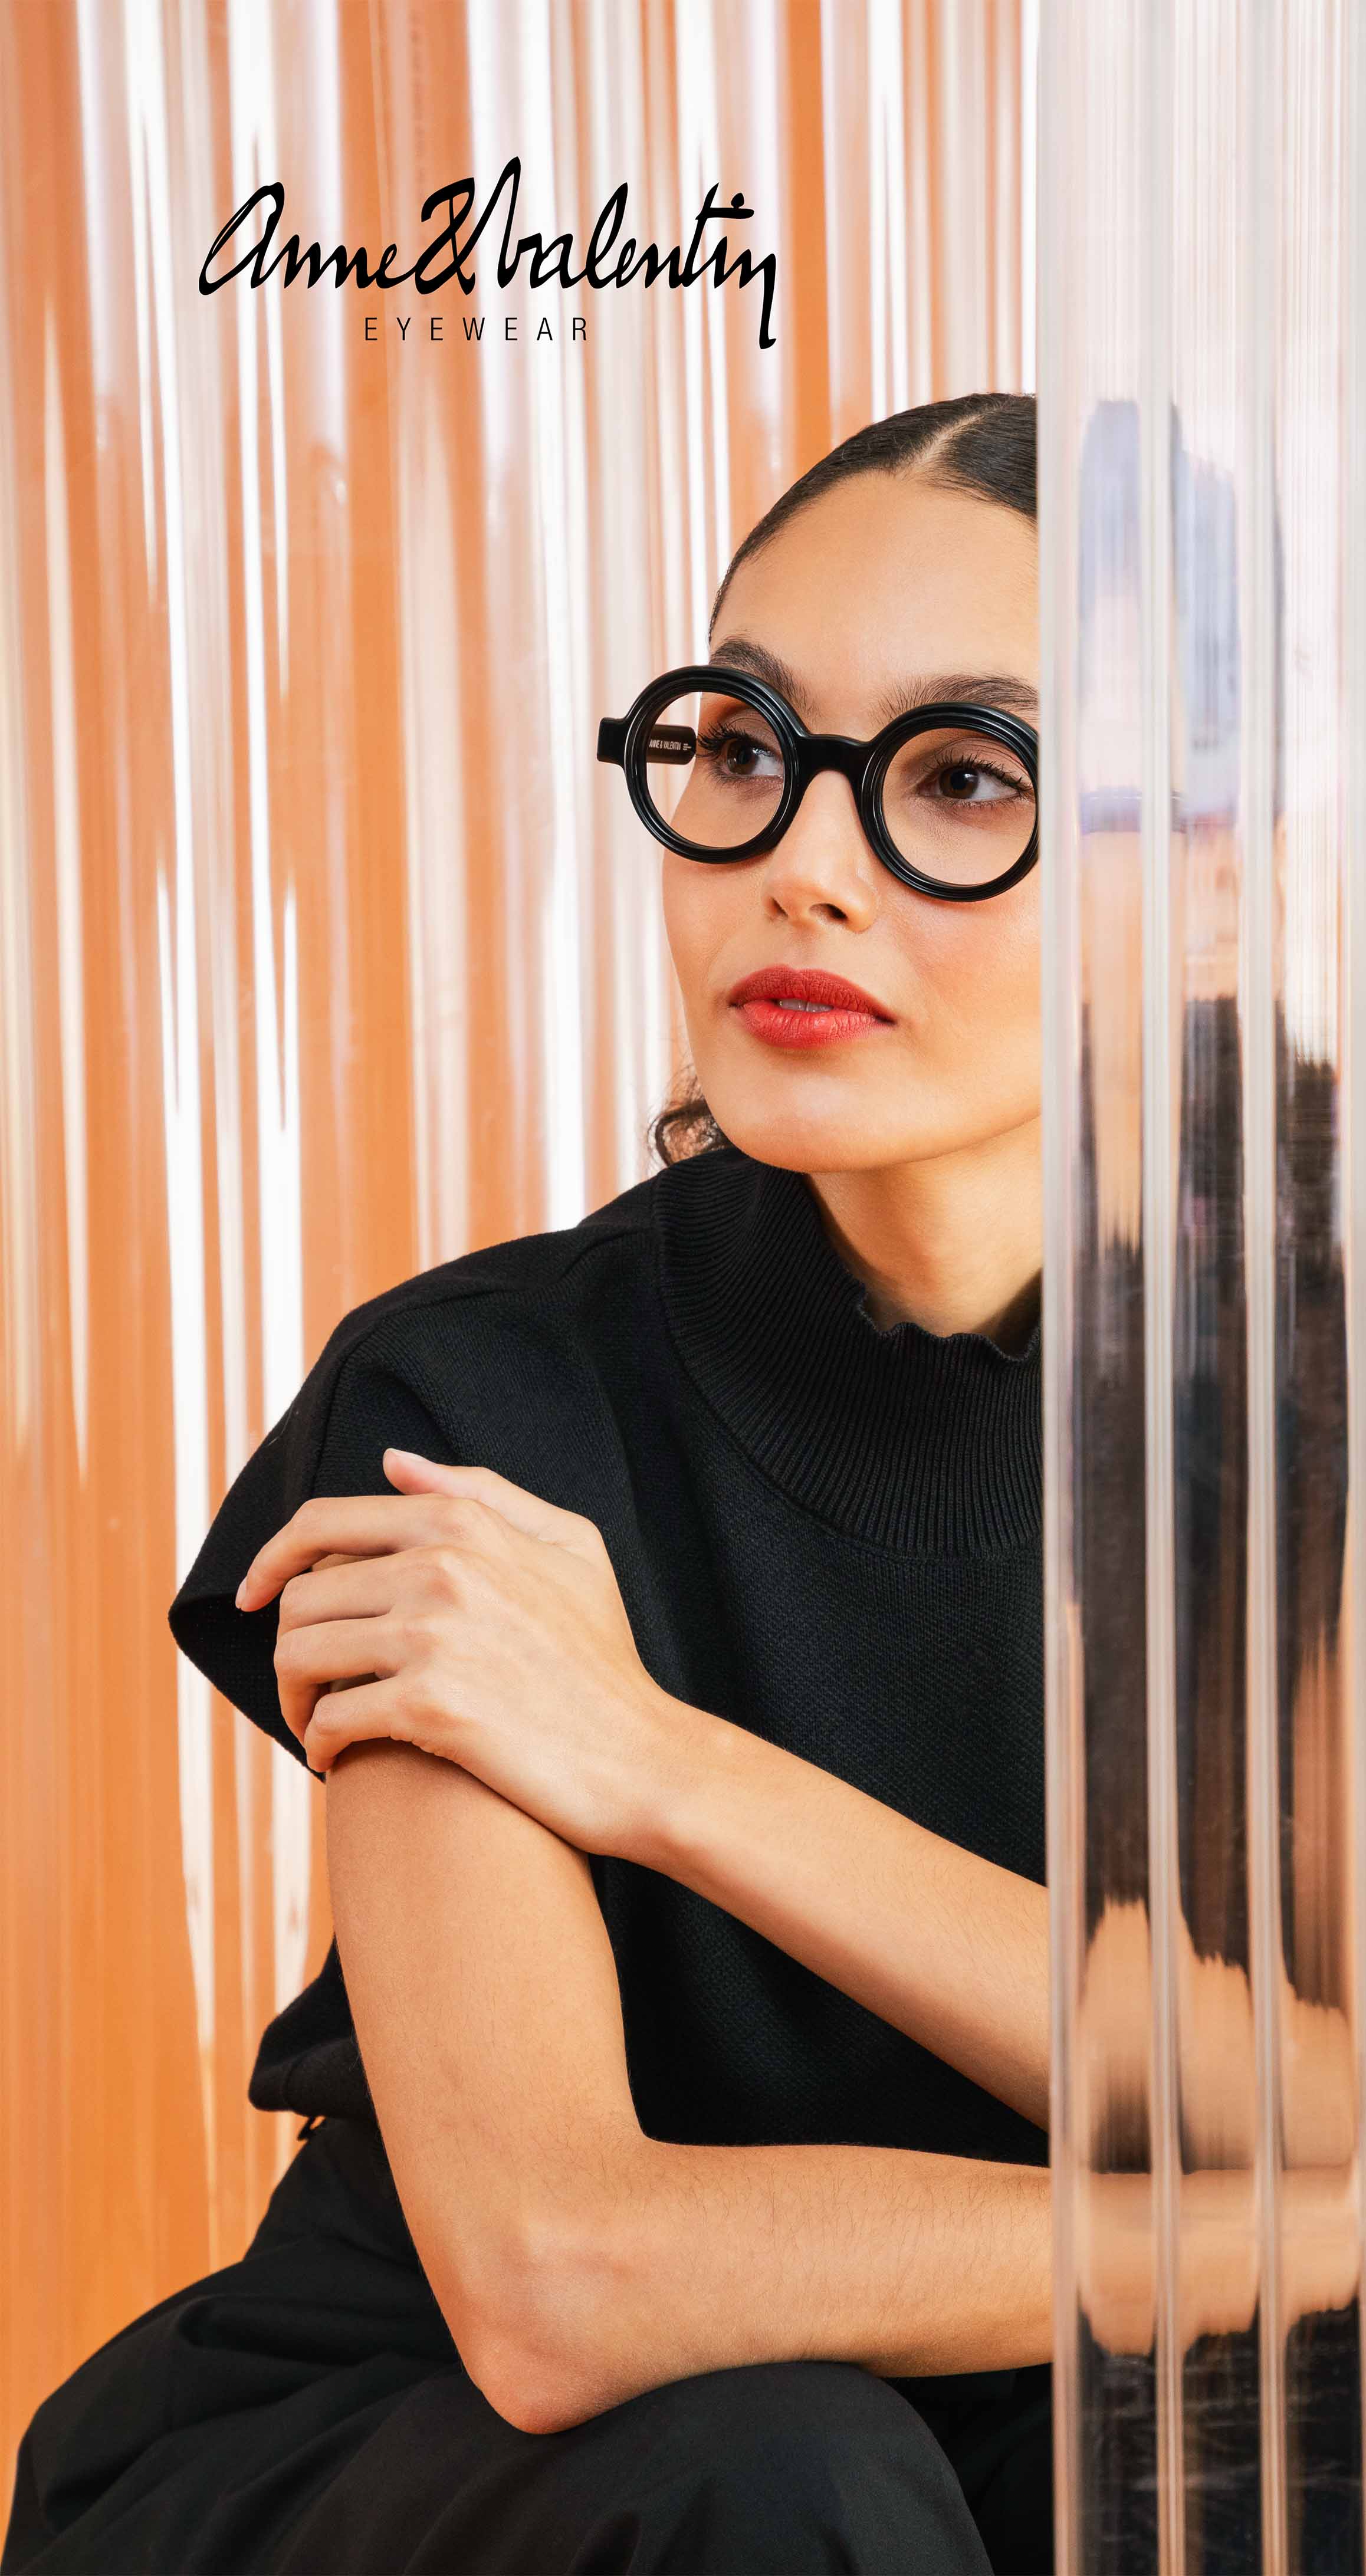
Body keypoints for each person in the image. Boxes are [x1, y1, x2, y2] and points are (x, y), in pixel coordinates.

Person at [4, 392, 1059, 2576]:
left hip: (1005, 2427)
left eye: (963, 777)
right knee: (792, 2476)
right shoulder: (470, 1403)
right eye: (745, 747)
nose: (803, 861)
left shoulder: (1354, 1421)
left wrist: (654, 1764)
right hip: (453, 2459)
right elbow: (563, 2278)